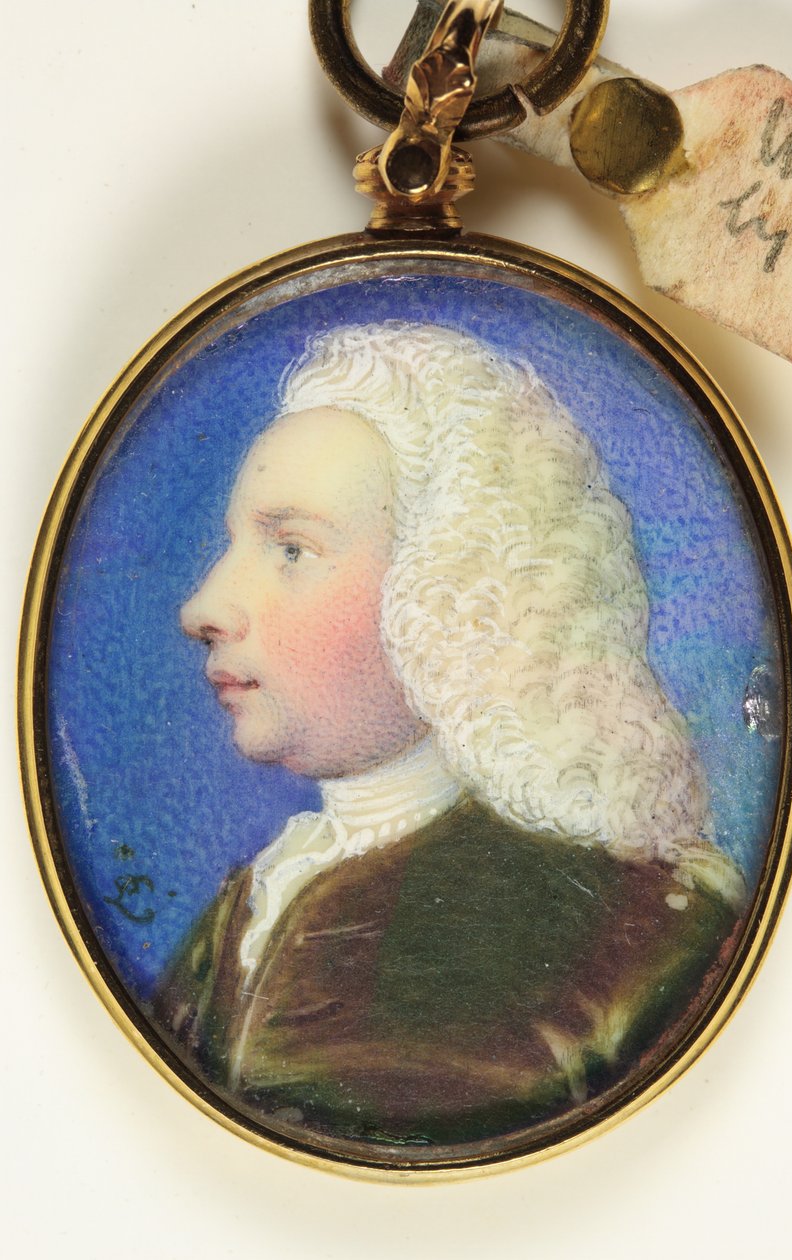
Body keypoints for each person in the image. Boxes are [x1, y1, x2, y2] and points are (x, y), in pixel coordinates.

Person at [155, 323, 745, 1156]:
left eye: (291, 548)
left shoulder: (640, 926)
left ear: (450, 581)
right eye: (237, 545)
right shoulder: (250, 905)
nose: (204, 608)